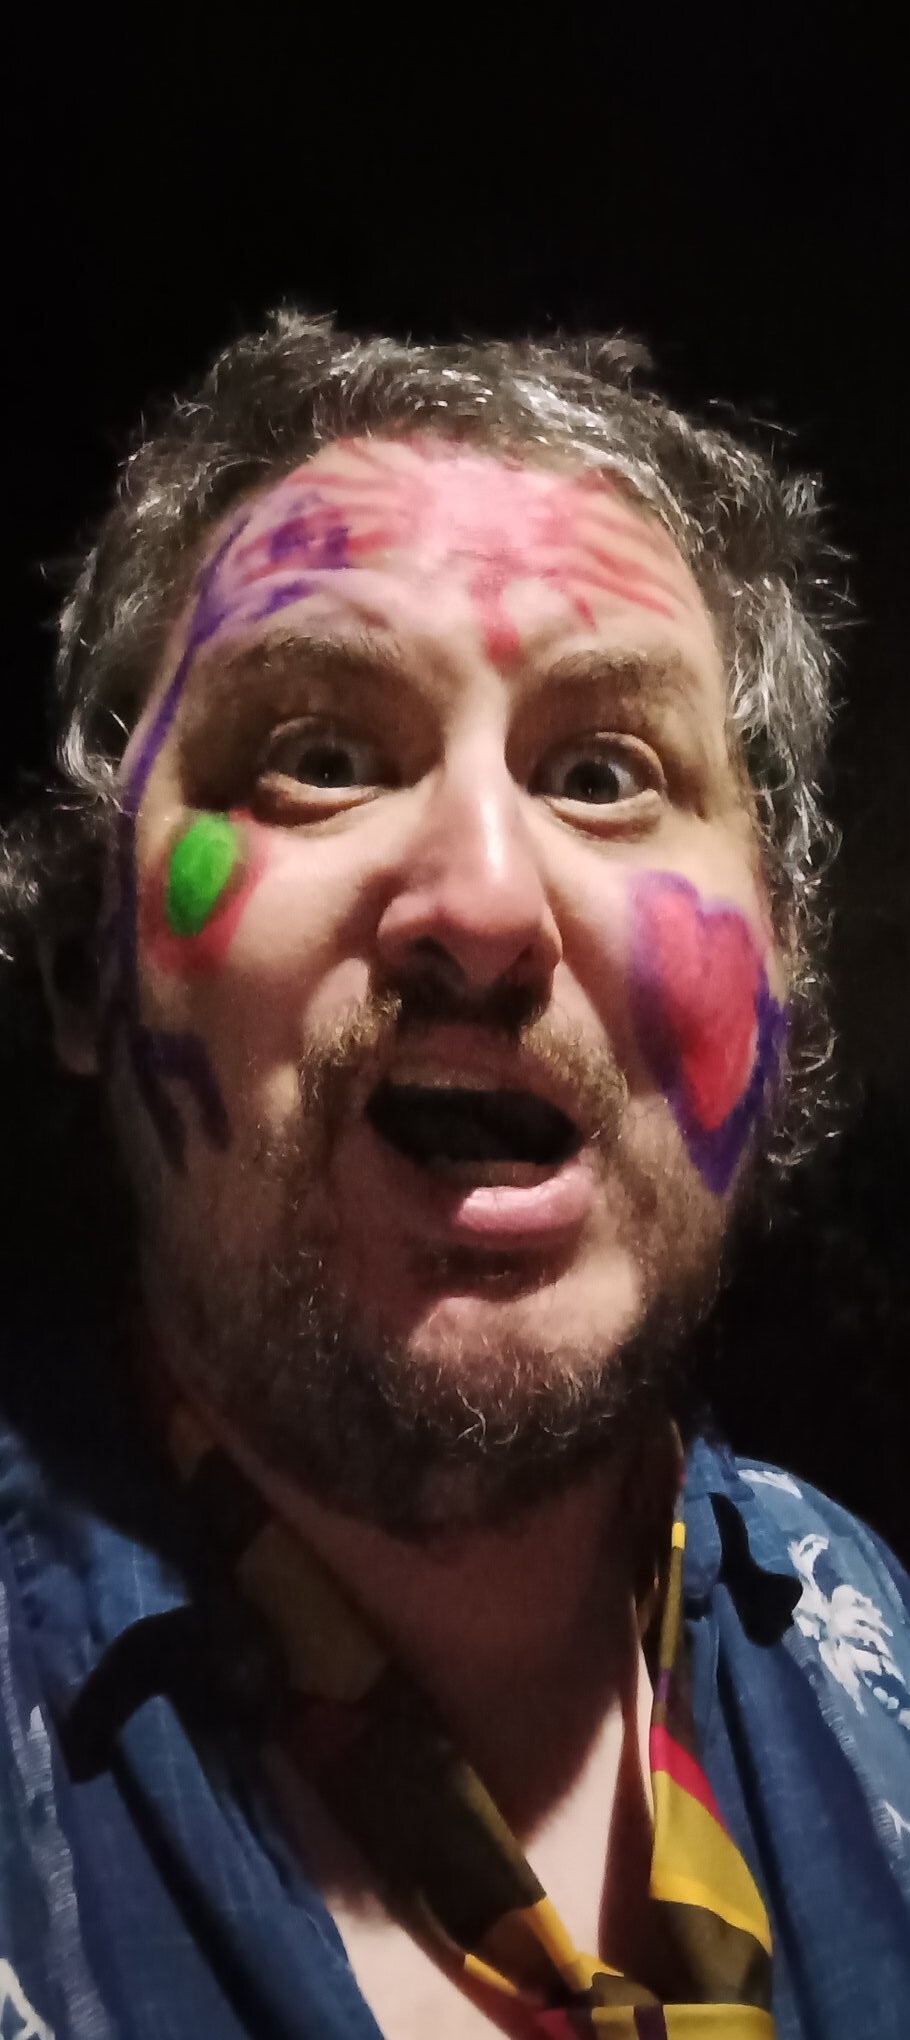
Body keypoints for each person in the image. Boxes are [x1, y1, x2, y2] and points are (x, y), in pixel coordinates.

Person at [1, 313, 908, 2040]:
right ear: (81, 959)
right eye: (321, 759)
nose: (484, 907)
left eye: (603, 776)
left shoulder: (866, 1635)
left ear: (779, 978)